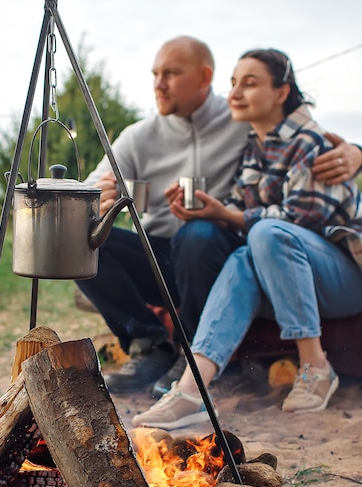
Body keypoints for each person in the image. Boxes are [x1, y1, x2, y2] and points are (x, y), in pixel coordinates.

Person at [76, 36, 362, 395]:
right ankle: (148, 344)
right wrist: (96, 196)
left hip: (215, 252)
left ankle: (193, 354)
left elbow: (307, 137)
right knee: (79, 239)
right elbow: (88, 188)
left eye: (171, 73)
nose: (158, 85)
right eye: (155, 74)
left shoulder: (242, 116)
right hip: (159, 256)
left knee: (199, 233)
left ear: (204, 77)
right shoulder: (138, 136)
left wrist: (355, 151)